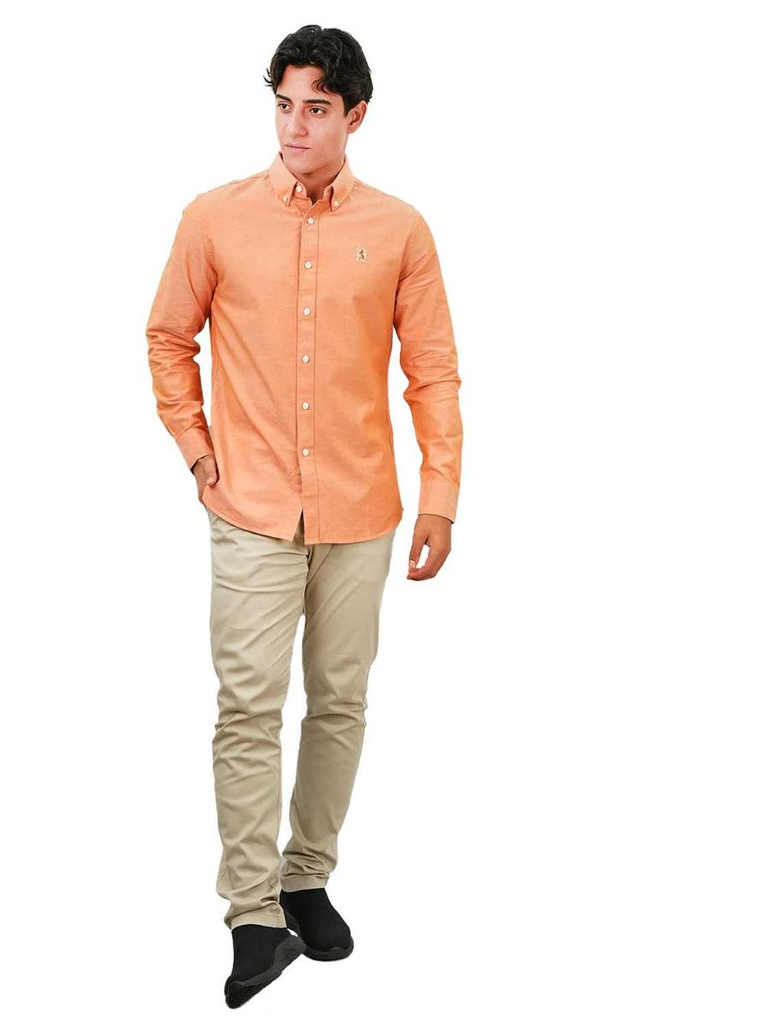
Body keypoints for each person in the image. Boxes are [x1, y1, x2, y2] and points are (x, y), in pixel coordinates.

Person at [145, 24, 463, 1009]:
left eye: (316, 109)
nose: (294, 126)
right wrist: (198, 449)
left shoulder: (401, 230)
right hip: (248, 506)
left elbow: (433, 372)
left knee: (339, 700)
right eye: (284, 104)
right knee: (246, 705)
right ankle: (252, 912)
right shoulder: (213, 218)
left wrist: (441, 495)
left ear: (354, 116)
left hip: (362, 511)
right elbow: (166, 338)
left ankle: (305, 877)